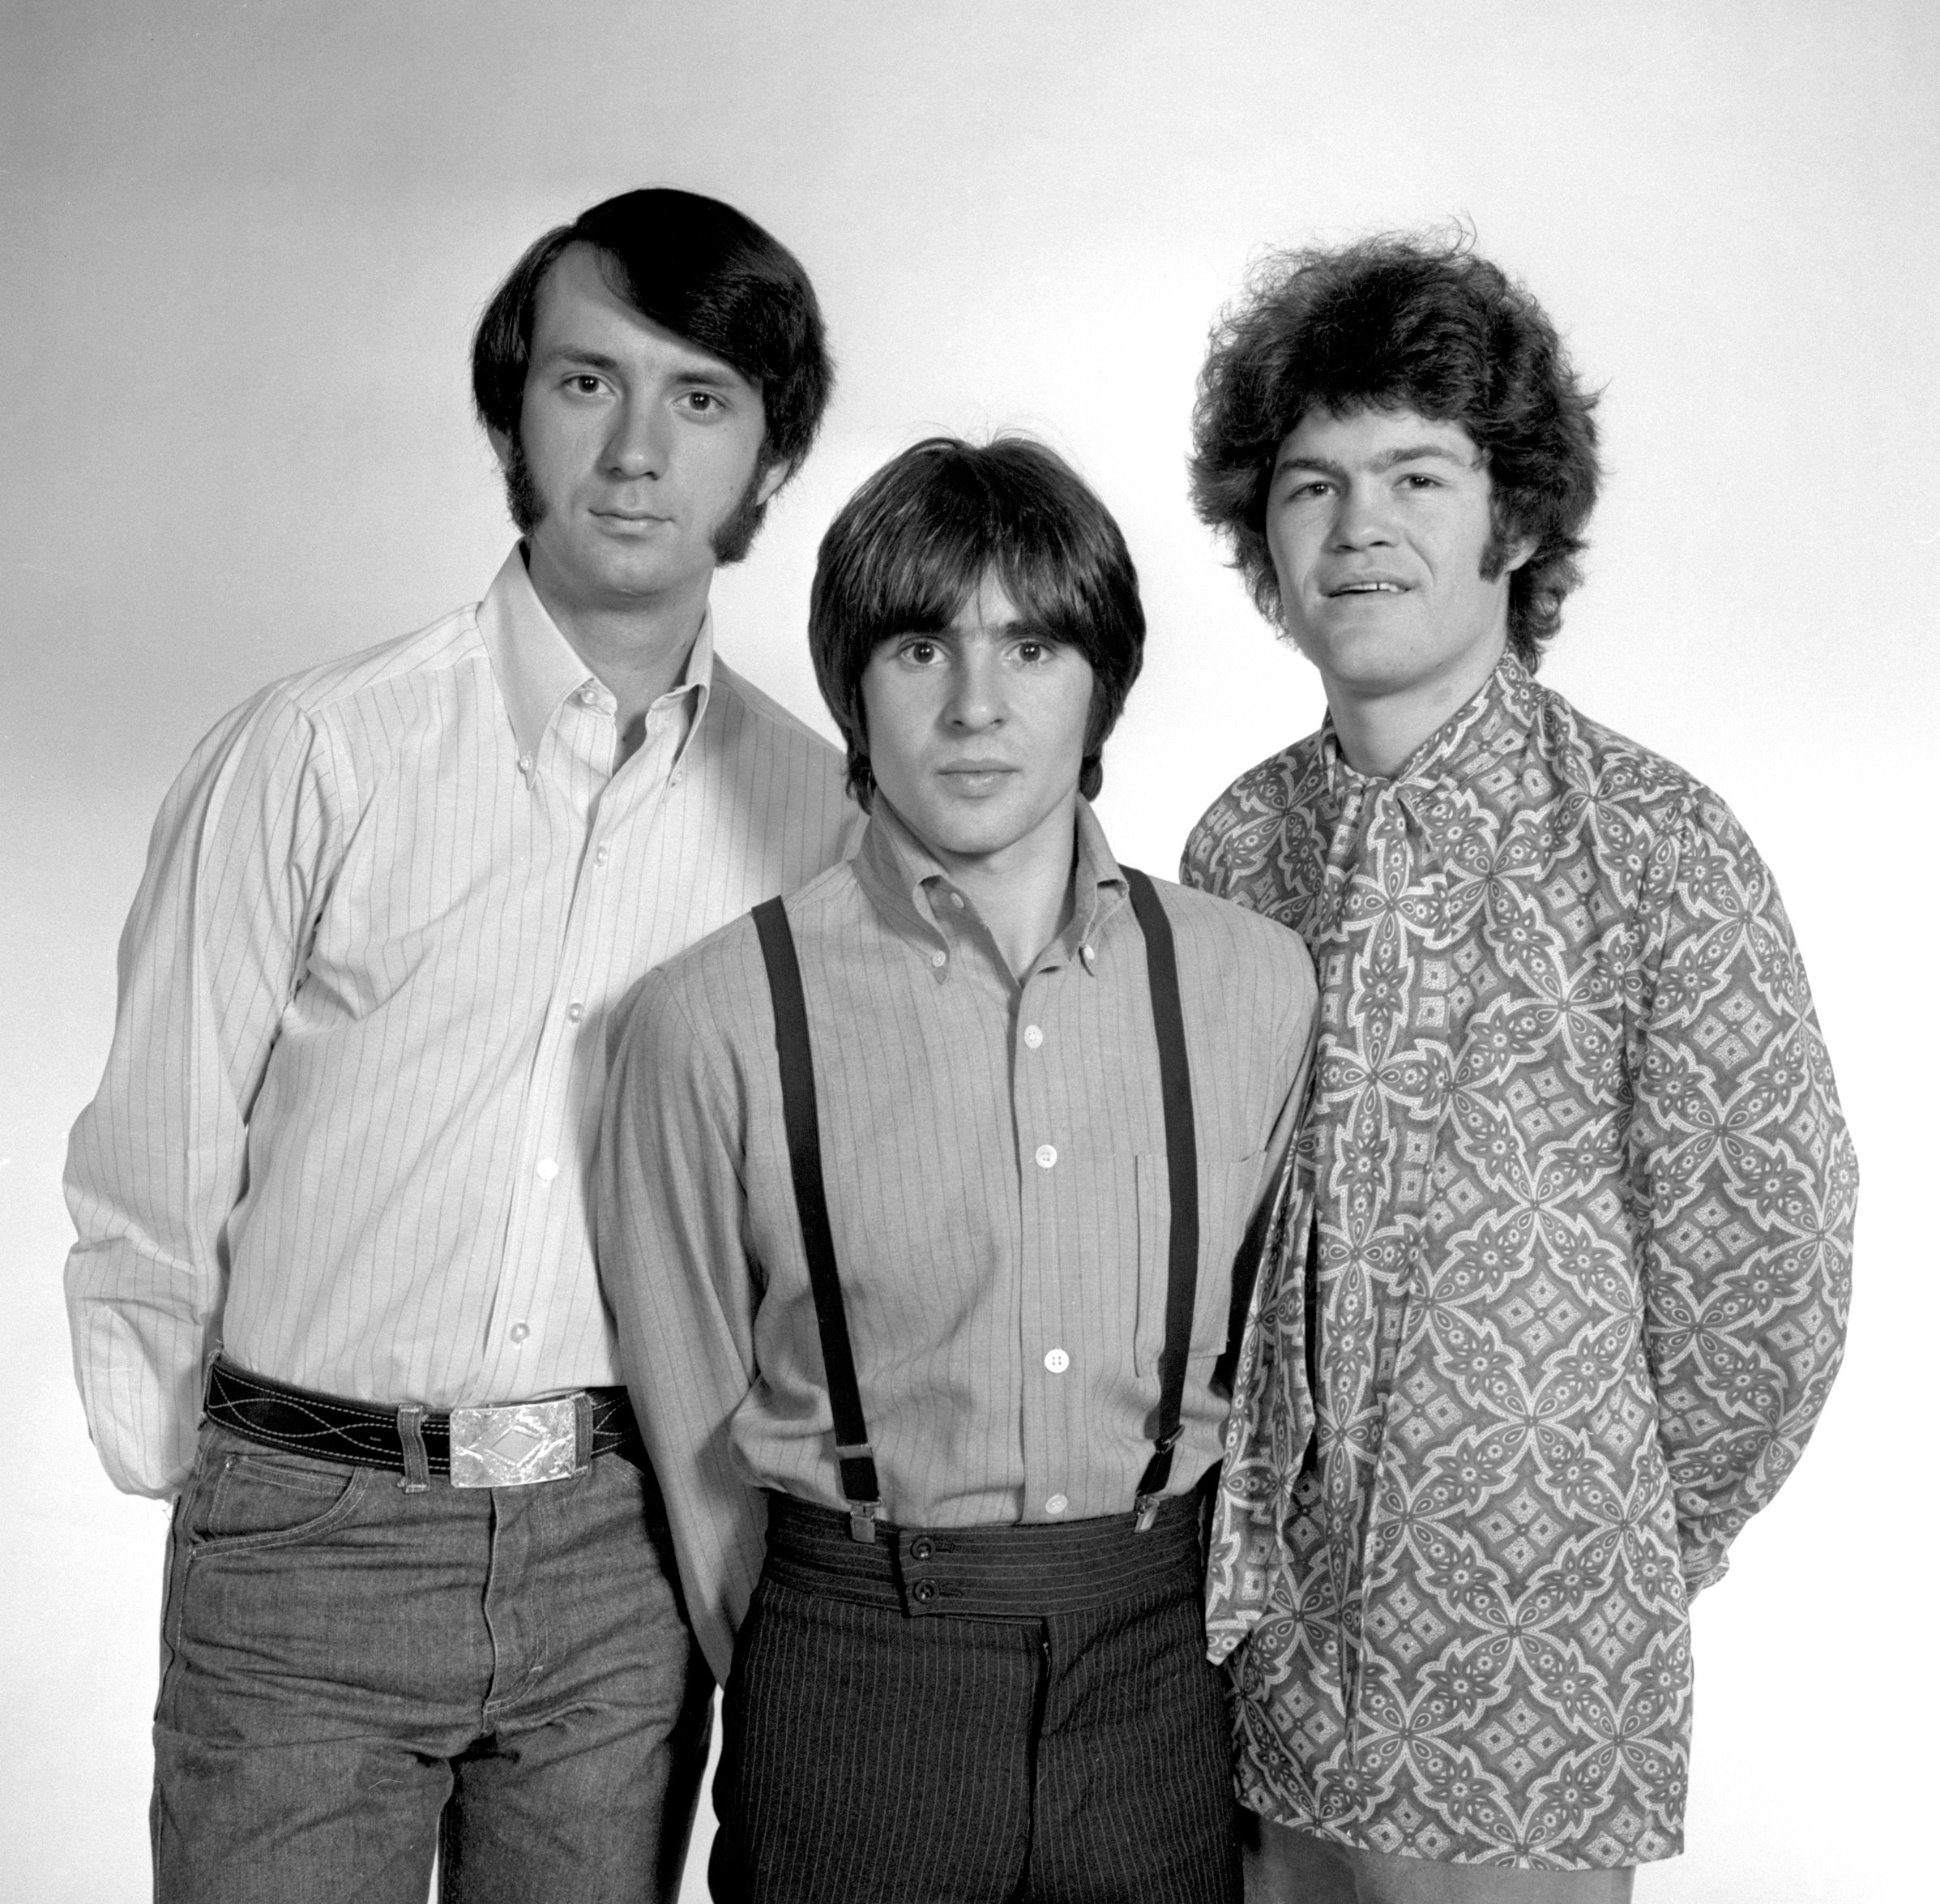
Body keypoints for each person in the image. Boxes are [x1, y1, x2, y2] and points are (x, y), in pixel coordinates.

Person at [63, 186, 856, 1904]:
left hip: (621, 1561)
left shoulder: (812, 814)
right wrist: (232, 1490)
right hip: (308, 1533)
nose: (638, 447)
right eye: (588, 383)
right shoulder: (319, 753)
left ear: (769, 461)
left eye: (702, 396)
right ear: (511, 417)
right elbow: (157, 1149)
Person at [1182, 233, 1857, 1902]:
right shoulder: (1239, 844)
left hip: (1530, 1677)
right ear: (1261, 541)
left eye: (1419, 473)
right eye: (1313, 485)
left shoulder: (1655, 847)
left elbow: (1766, 1268)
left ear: (1522, 515)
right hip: (1263, 1663)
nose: (1361, 528)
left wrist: (1607, 1532)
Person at [597, 434, 1321, 1904]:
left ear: (1100, 684)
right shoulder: (712, 1017)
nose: (978, 704)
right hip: (857, 1665)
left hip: (1154, 1669)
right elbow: (691, 1432)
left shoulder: (1255, 984)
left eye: (1034, 645)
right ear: (852, 685)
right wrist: (840, 1626)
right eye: (923, 645)